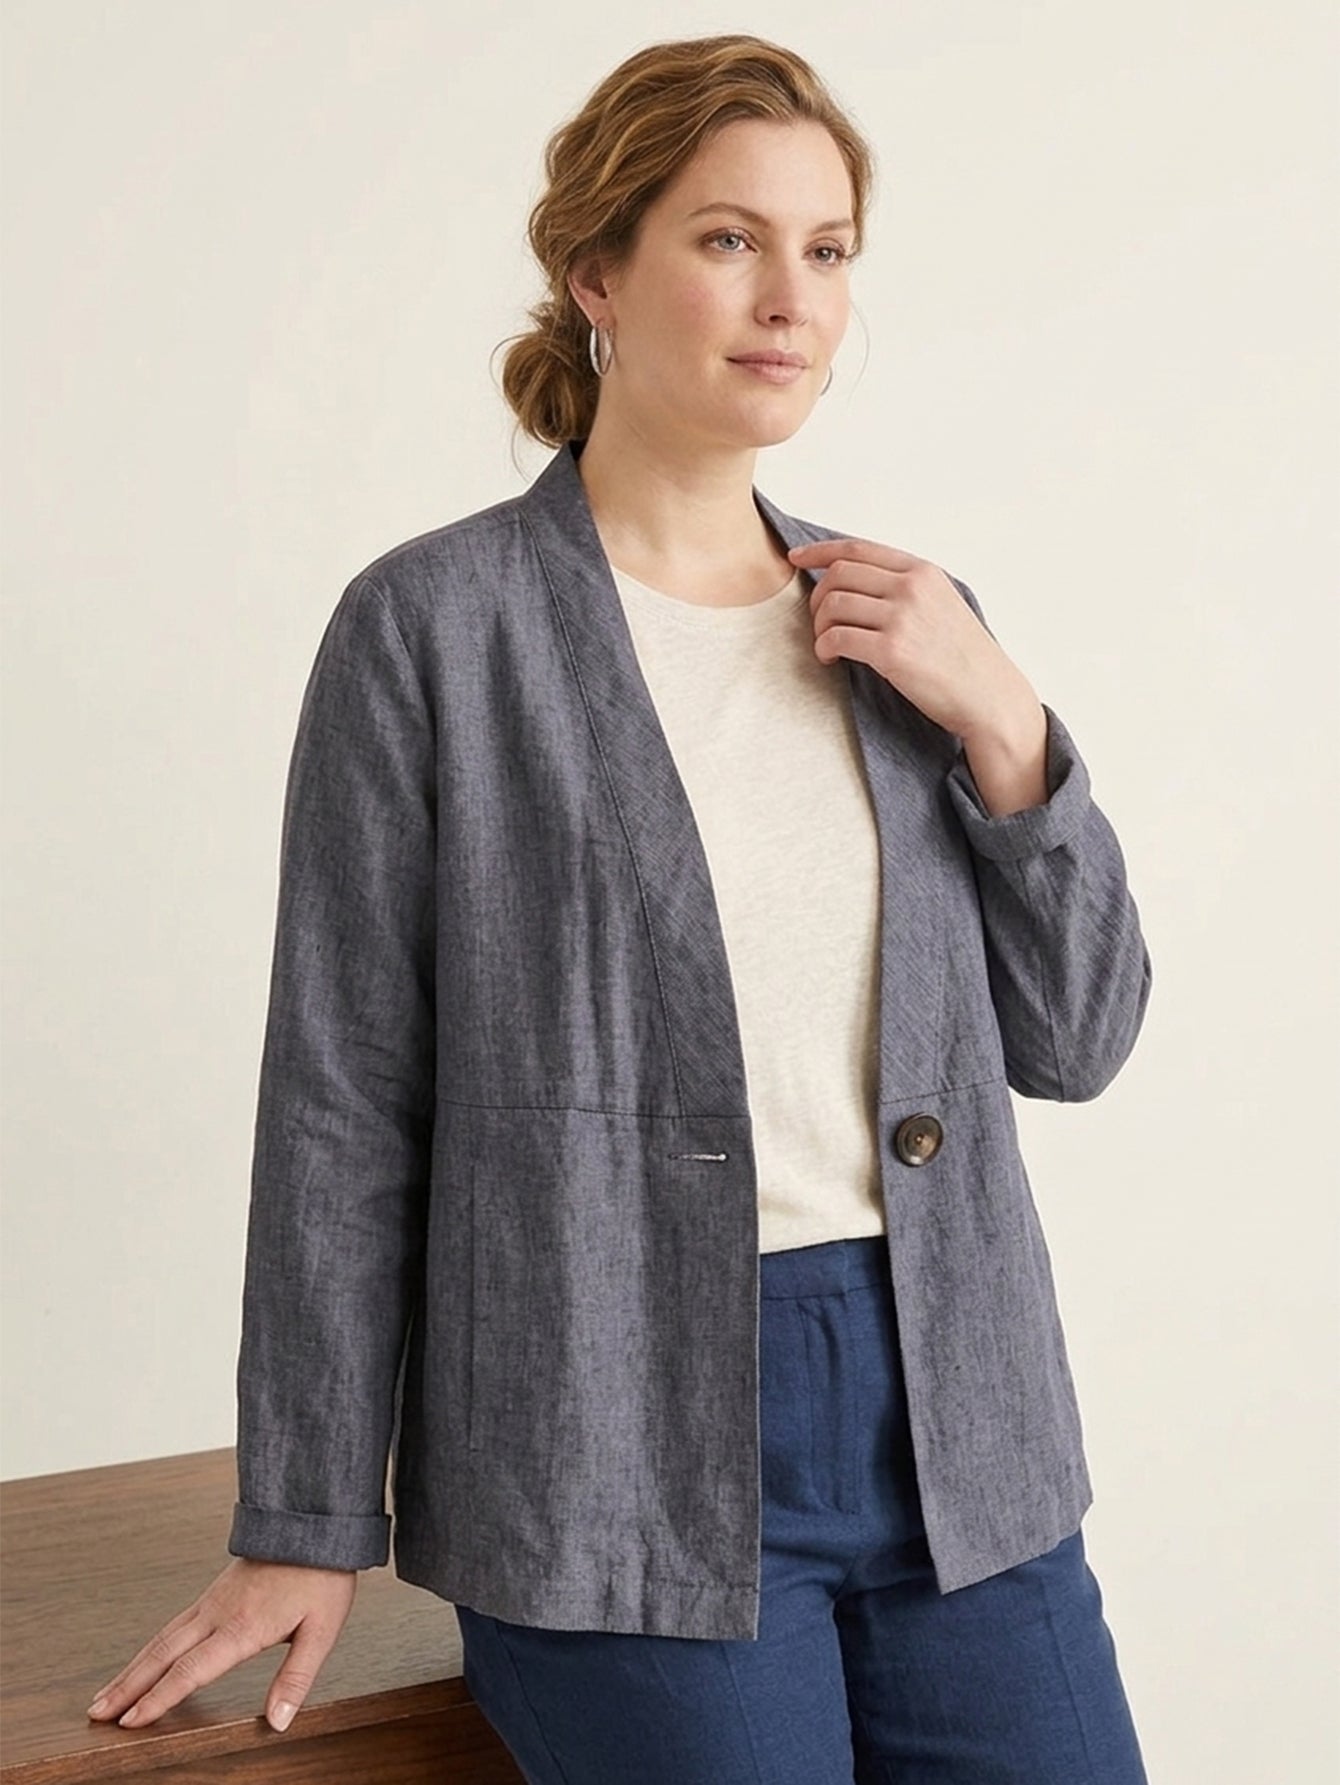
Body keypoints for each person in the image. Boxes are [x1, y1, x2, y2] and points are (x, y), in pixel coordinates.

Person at [88, 33, 1153, 1783]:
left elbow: (1082, 1036)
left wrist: (1009, 727)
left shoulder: (911, 622)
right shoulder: (433, 632)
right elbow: (344, 1098)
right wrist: (306, 1511)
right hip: (605, 1440)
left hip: (964, 1434)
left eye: (826, 249)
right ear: (597, 272)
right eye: (730, 239)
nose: (791, 297)